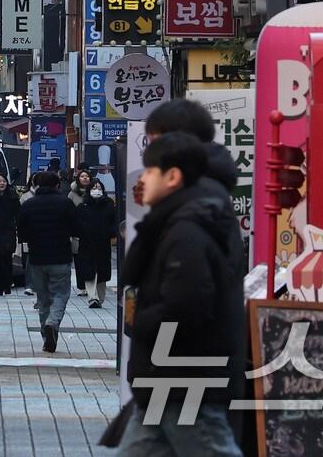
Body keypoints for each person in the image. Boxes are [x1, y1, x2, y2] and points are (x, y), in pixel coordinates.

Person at [117, 132, 242, 456]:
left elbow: (187, 304)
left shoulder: (186, 231)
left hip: (184, 379)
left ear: (172, 177)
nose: (142, 179)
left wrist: (142, 322)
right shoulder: (170, 222)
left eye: (149, 172)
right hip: (167, 379)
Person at [143, 97, 248, 436]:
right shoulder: (196, 194)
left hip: (189, 366)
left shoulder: (197, 203)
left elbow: (190, 294)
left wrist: (144, 318)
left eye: (156, 142)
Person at [15, 170, 80, 353]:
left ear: (37, 185)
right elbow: (76, 228)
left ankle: (47, 336)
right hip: (60, 257)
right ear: (57, 185)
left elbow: (22, 232)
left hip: (37, 258)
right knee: (60, 294)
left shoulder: (29, 205)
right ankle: (53, 323)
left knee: (43, 300)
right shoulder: (65, 204)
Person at [75, 180, 115, 308]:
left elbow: (114, 222)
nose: (96, 190)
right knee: (89, 270)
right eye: (94, 188)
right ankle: (93, 298)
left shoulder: (109, 205)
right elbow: (77, 224)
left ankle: (100, 297)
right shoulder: (83, 206)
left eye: (98, 187)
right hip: (87, 243)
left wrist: (110, 233)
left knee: (102, 271)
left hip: (103, 242)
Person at [68, 168, 94, 295]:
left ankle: (92, 285)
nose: (85, 178)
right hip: (77, 232)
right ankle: (82, 286)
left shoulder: (95, 192)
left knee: (91, 259)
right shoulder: (72, 194)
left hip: (92, 231)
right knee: (79, 260)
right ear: (78, 179)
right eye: (82, 176)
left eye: (87, 176)